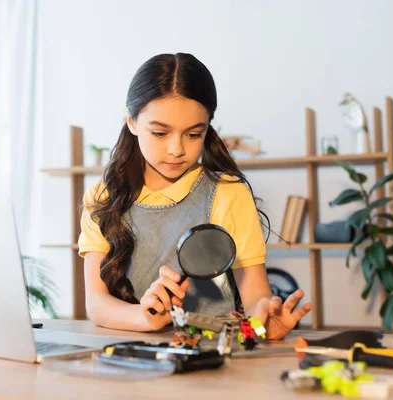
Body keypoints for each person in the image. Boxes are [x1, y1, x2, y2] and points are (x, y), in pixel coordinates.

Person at [78, 53, 311, 339]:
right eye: (160, 133)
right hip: (130, 361)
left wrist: (263, 327)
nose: (177, 149)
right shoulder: (102, 197)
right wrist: (144, 316)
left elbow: (255, 302)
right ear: (133, 123)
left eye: (193, 134)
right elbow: (96, 303)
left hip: (211, 362)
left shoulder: (228, 193)